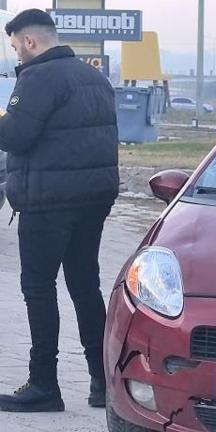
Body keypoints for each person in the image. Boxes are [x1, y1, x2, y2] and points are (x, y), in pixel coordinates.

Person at [0, 9, 119, 412]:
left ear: (30, 41)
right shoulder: (95, 77)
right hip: (93, 199)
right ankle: (103, 383)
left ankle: (43, 385)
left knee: (38, 287)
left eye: (16, 46)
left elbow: (14, 136)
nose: (16, 55)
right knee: (86, 286)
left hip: (48, 201)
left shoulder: (37, 77)